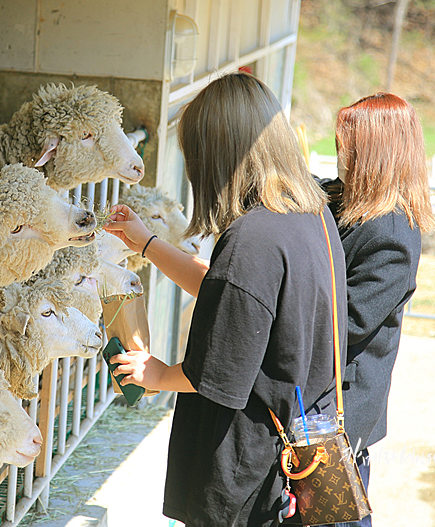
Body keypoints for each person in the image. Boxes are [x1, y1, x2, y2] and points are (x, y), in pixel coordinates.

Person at [104, 71, 348, 527]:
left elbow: (218, 376)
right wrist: (147, 243)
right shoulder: (308, 213)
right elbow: (233, 302)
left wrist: (155, 373)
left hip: (244, 474)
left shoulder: (251, 239)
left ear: (218, 157)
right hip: (288, 458)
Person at [318, 92, 435, 527]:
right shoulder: (348, 201)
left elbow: (343, 326)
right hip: (321, 405)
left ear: (376, 154)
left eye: (346, 147)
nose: (338, 155)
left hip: (338, 421)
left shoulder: (392, 235)